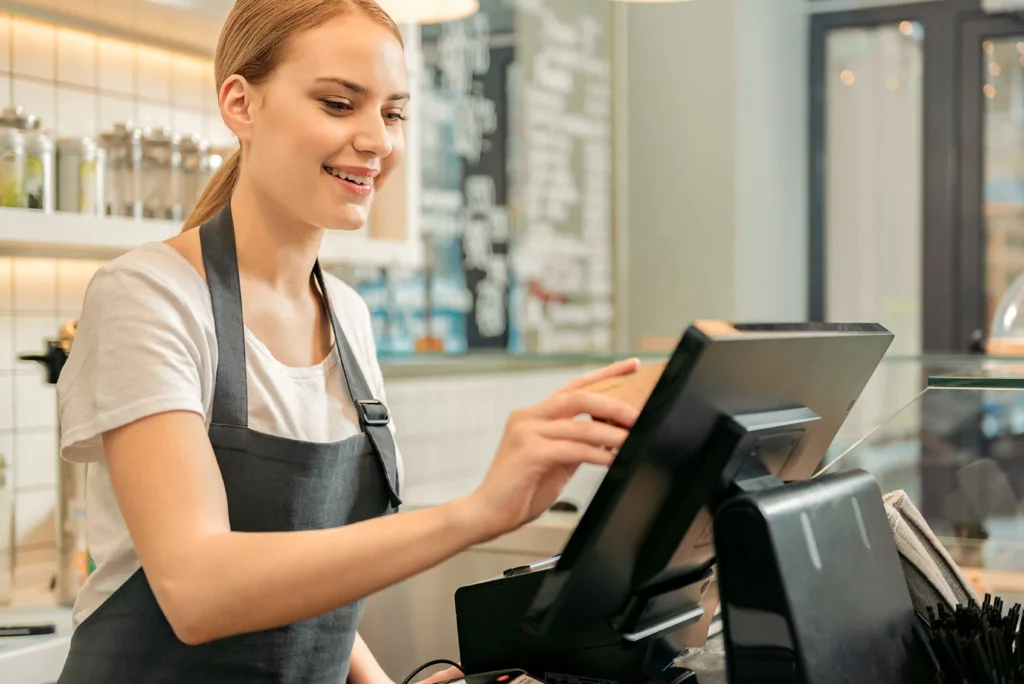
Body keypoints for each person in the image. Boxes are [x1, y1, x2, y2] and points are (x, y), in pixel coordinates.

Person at [53, 1, 641, 682]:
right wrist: (479, 513)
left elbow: (306, 581)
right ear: (241, 104)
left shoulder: (349, 317)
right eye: (339, 104)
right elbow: (199, 590)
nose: (378, 141)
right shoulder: (147, 295)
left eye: (393, 114)